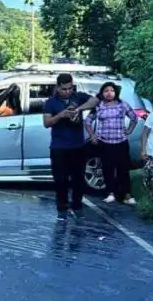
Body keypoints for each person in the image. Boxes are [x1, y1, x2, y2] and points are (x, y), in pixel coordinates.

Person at [43, 73, 100, 220]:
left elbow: (95, 100)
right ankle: (62, 208)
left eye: (69, 88)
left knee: (78, 179)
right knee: (60, 180)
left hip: (78, 145)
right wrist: (61, 115)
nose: (67, 91)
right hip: (59, 147)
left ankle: (77, 206)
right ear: (57, 87)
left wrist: (79, 109)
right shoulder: (51, 102)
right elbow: (46, 123)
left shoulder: (78, 96)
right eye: (64, 89)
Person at [85, 82, 139, 205]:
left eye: (111, 90)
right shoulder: (99, 106)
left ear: (115, 92)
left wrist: (129, 130)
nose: (109, 93)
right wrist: (92, 135)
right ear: (102, 93)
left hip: (121, 142)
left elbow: (134, 118)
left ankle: (127, 195)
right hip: (105, 142)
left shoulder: (122, 105)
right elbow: (88, 121)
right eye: (106, 91)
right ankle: (110, 193)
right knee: (107, 168)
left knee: (123, 169)